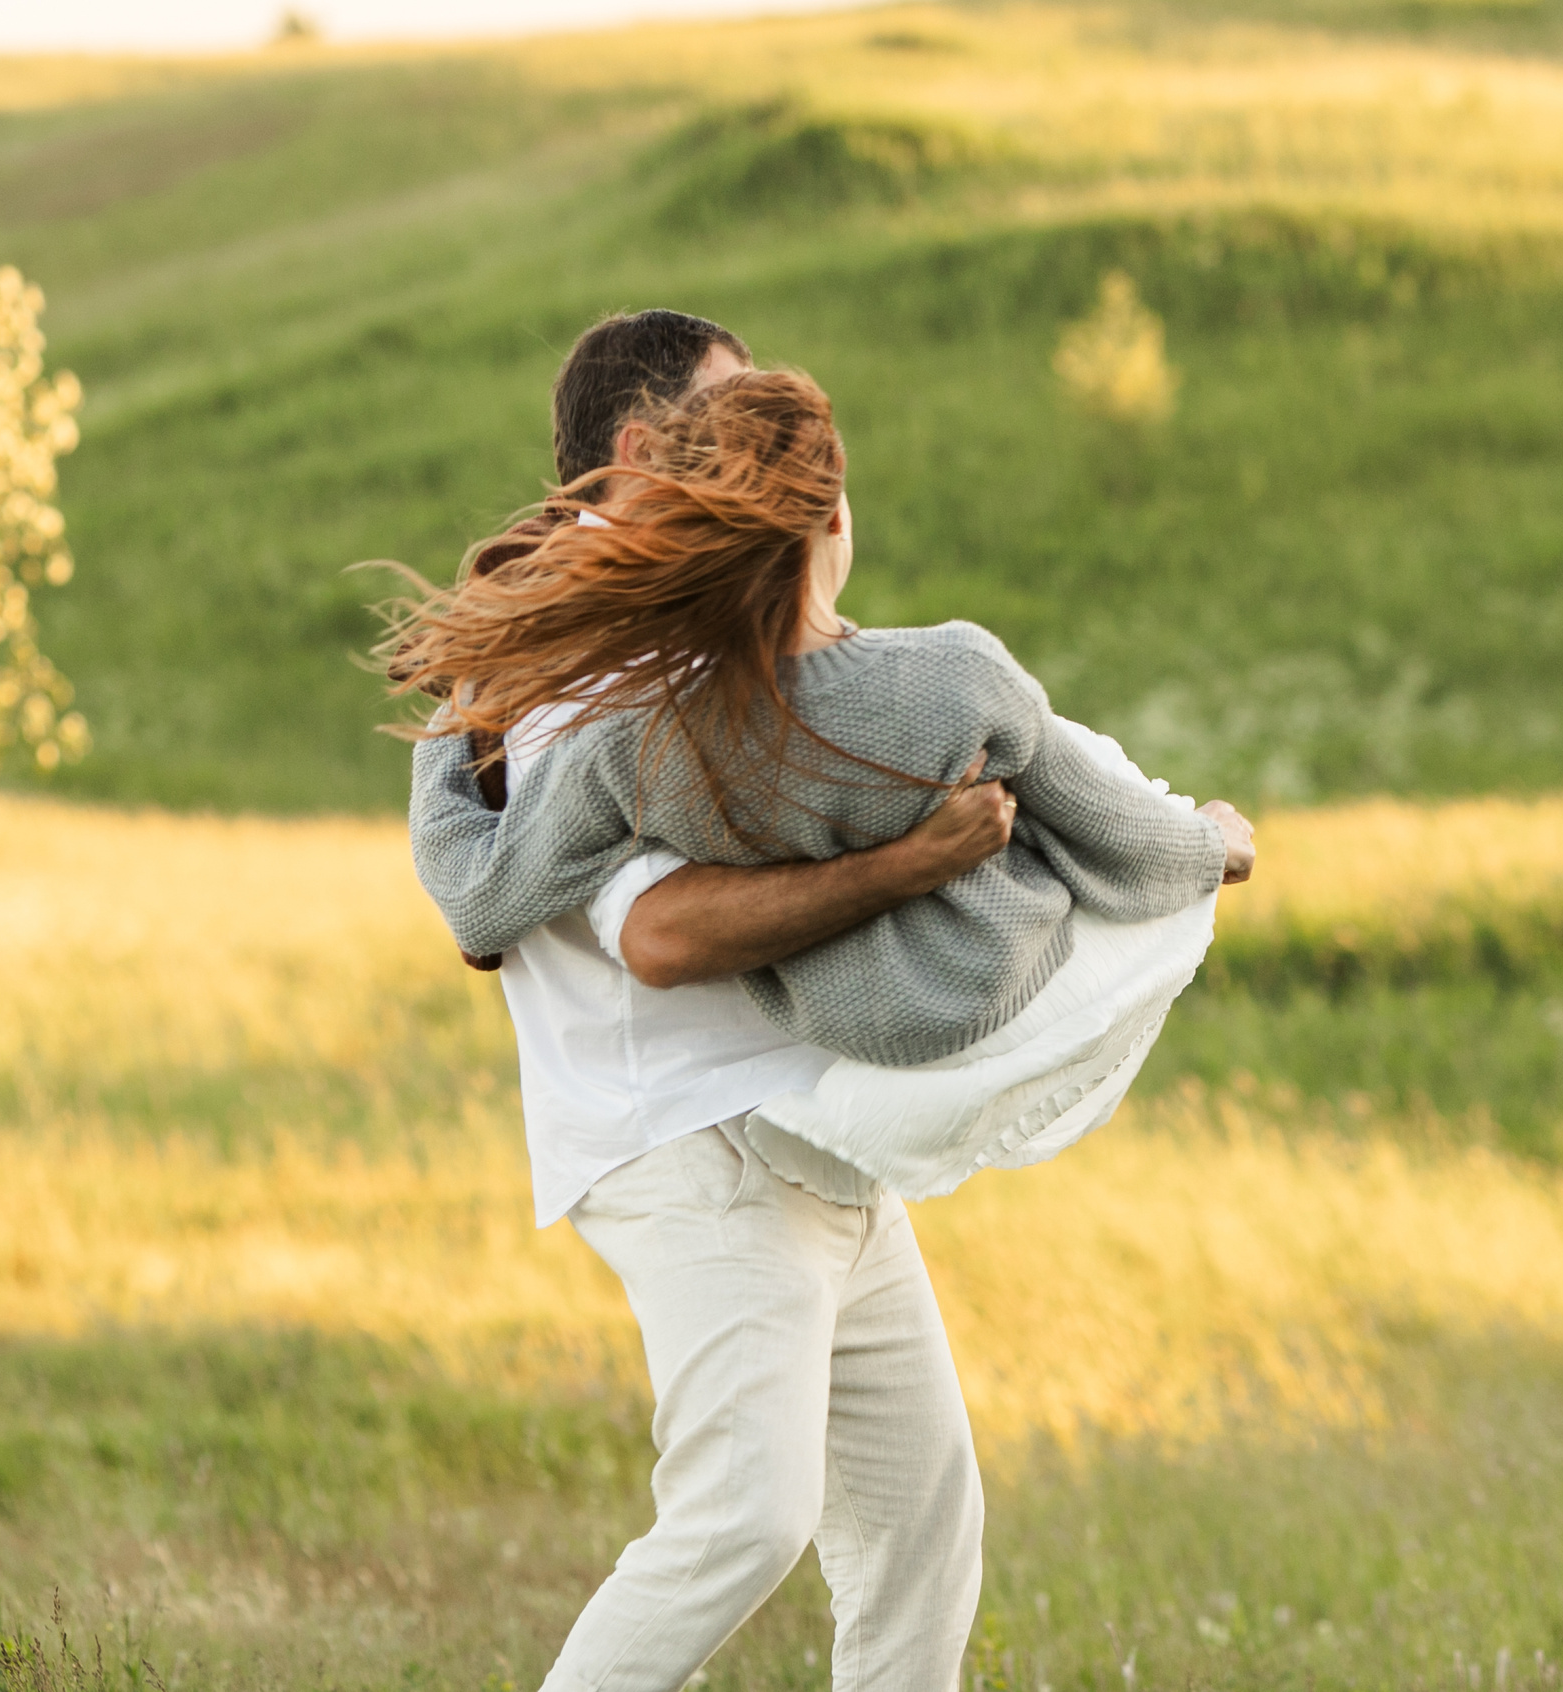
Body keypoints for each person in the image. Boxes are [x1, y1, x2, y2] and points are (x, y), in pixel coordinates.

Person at [381, 312, 1016, 1692]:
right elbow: (662, 937)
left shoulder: (693, 640)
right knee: (746, 1518)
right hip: (693, 1147)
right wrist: (911, 862)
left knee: (920, 1523)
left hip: (814, 1141)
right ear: (636, 449)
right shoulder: (573, 677)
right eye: (731, 424)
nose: (768, 454)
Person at [395, 368, 1257, 1203]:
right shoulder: (954, 673)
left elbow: (480, 902)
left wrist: (462, 703)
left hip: (838, 1039)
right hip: (1003, 1004)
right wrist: (1216, 837)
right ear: (835, 516)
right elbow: (1123, 839)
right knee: (1082, 781)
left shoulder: (636, 743)